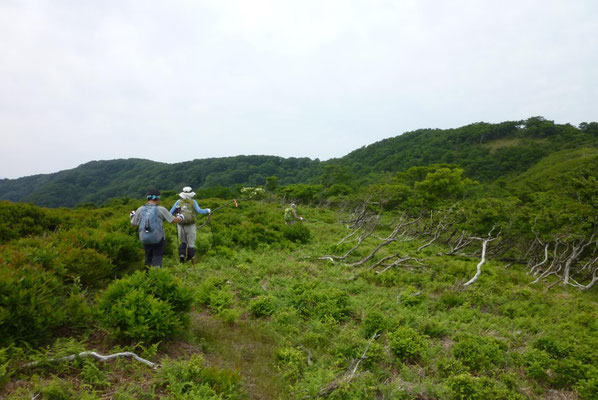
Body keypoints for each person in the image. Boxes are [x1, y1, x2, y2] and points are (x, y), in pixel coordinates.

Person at [130, 189, 184, 268]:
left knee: (147, 257)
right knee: (157, 257)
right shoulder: (161, 209)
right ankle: (157, 275)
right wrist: (181, 217)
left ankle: (147, 276)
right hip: (158, 238)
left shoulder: (140, 209)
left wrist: (132, 216)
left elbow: (133, 224)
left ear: (148, 198)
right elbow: (174, 220)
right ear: (158, 198)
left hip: (144, 238)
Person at [169, 186, 211, 263]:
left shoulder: (178, 202)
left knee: (183, 241)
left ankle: (182, 256)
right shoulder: (193, 202)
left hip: (180, 225)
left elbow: (170, 212)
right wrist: (208, 210)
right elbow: (199, 211)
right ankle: (190, 259)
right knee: (191, 243)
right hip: (191, 225)